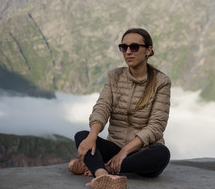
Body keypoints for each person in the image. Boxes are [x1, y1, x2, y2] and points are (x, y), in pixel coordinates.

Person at [68, 28, 171, 189]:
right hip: (115, 146)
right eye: (124, 47)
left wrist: (124, 153)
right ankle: (102, 176)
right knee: (82, 136)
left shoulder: (161, 81)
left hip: (142, 152)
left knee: (162, 154)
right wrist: (92, 136)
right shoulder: (114, 76)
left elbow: (157, 126)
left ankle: (100, 168)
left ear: (148, 50)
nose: (128, 52)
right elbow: (102, 107)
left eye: (134, 47)